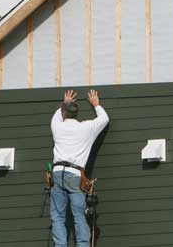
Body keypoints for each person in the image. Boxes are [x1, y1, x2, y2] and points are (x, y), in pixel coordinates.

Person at [50, 89, 109, 247]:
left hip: (57, 173)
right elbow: (104, 119)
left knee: (57, 216)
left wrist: (66, 102)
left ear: (64, 113)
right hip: (75, 175)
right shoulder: (86, 128)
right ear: (76, 114)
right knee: (79, 216)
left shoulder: (57, 127)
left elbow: (57, 116)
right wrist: (96, 105)